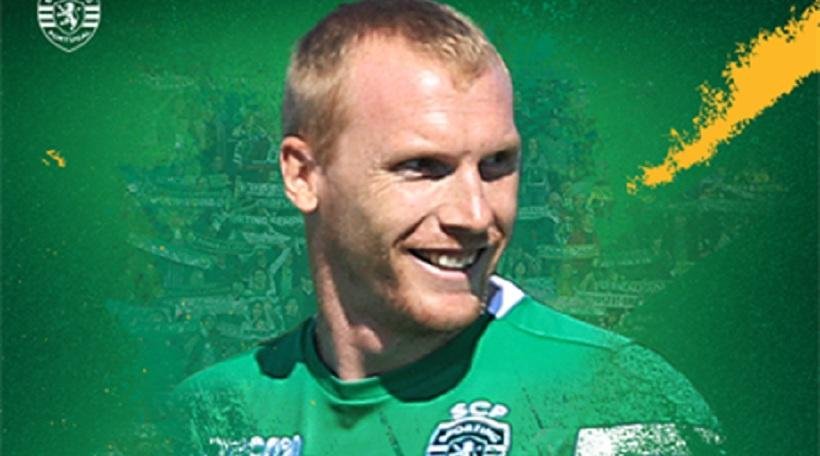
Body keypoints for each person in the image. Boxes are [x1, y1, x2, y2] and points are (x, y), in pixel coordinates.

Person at [169, 1, 724, 454]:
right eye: (423, 167)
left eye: (497, 164)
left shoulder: (608, 400)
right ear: (303, 174)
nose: (475, 215)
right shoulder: (211, 419)